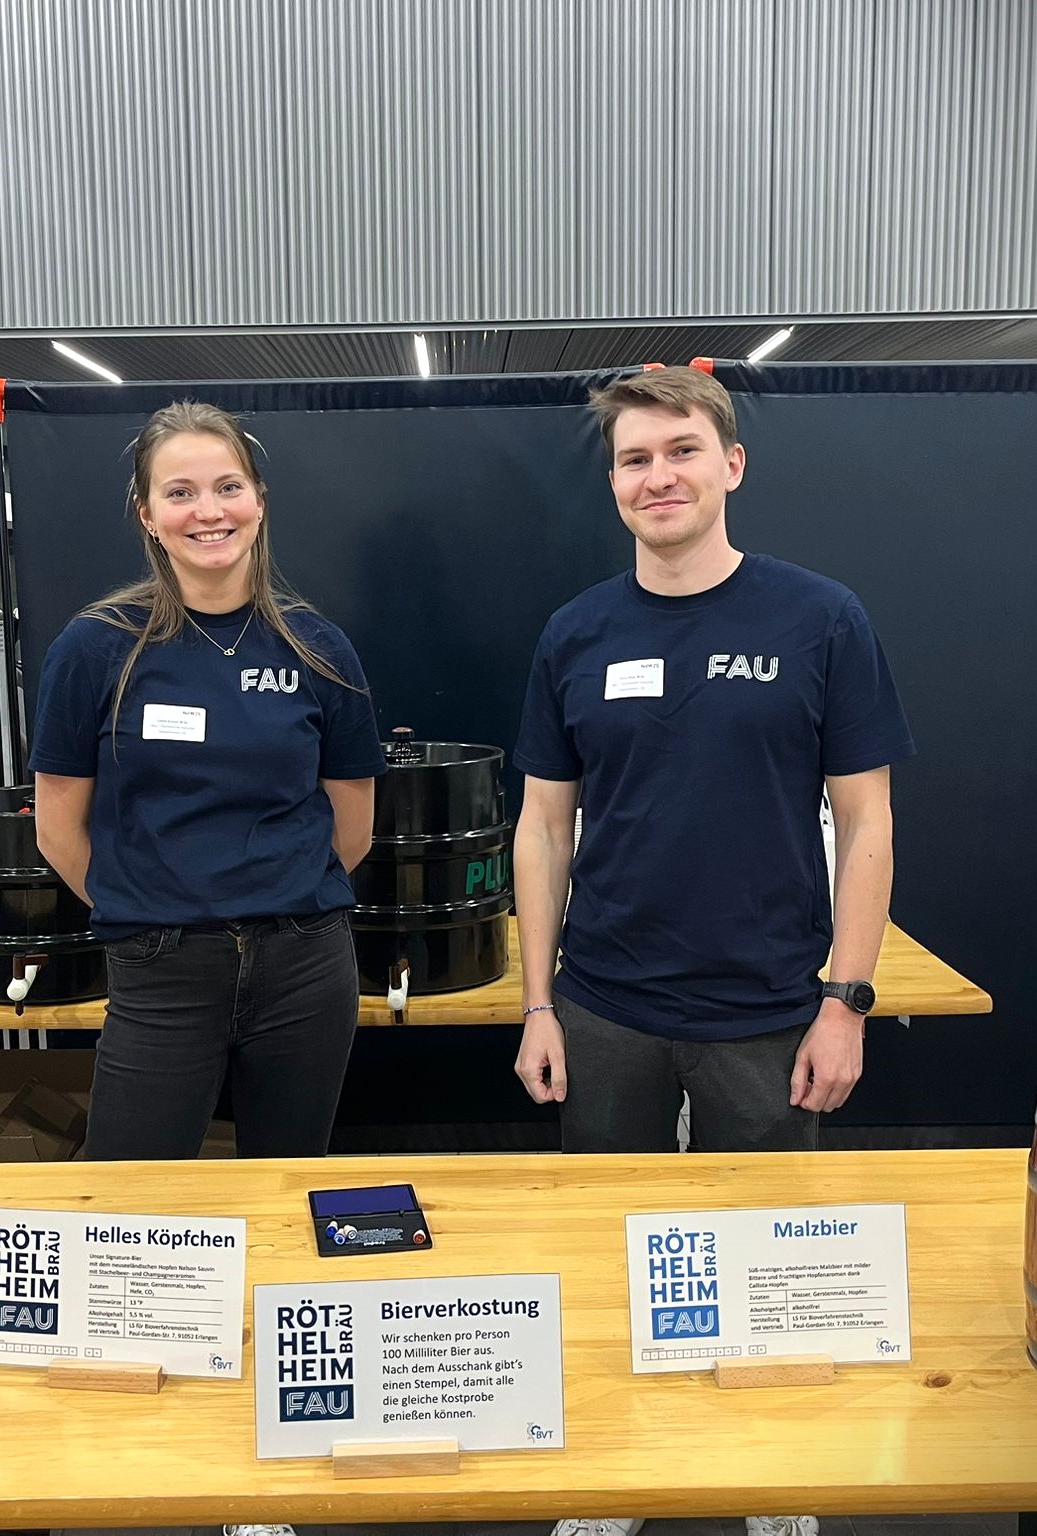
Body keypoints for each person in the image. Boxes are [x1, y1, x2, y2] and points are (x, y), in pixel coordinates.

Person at [512, 366, 914, 1536]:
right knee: (609, 1253)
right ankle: (619, 1479)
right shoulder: (575, 633)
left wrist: (845, 1001)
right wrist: (539, 1004)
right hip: (607, 1008)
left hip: (768, 1010)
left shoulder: (821, 618)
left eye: (681, 450)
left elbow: (869, 821)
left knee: (765, 1264)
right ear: (614, 484)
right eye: (635, 459)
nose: (659, 476)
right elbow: (541, 827)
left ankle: (770, 1482)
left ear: (731, 464)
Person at [30, 400, 386, 1161]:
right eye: (180, 492)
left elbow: (350, 828)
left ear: (258, 499)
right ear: (147, 516)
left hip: (304, 966)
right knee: (130, 1205)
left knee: (288, 1186)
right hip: (162, 973)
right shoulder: (96, 649)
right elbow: (58, 828)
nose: (207, 511)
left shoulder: (317, 648)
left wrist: (272, 896)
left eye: (227, 487)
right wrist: (152, 907)